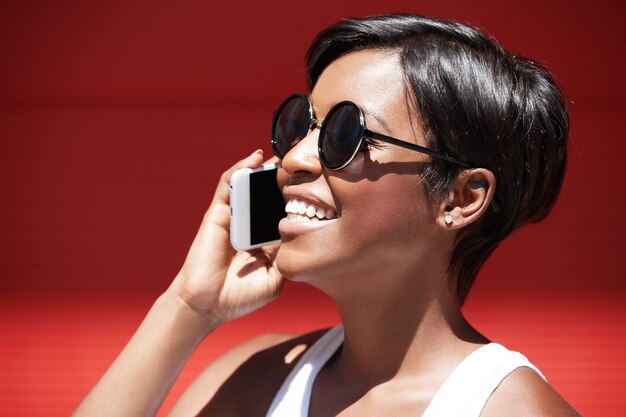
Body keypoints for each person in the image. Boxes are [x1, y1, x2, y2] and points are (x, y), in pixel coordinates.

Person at [73, 13, 581, 417]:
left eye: (346, 135)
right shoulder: (258, 380)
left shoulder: (511, 409)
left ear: (460, 198)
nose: (294, 157)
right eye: (302, 124)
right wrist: (188, 308)